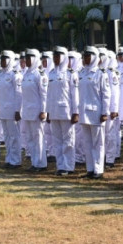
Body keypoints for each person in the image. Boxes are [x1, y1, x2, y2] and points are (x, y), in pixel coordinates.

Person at [78, 45, 111, 179]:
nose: (86, 58)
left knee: (98, 143)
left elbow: (106, 94)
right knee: (87, 143)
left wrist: (105, 112)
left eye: (88, 56)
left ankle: (98, 170)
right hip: (84, 113)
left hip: (96, 113)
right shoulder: (81, 73)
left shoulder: (100, 74)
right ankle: (90, 169)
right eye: (84, 56)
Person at [46, 46, 79, 175]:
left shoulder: (71, 74)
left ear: (64, 57)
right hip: (54, 112)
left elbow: (75, 94)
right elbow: (49, 95)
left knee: (68, 141)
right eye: (54, 56)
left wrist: (75, 112)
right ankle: (60, 166)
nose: (55, 59)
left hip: (66, 112)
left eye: (58, 56)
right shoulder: (51, 73)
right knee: (57, 140)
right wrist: (48, 111)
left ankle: (68, 166)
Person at [22, 49, 48, 171]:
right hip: (27, 111)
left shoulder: (40, 75)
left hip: (37, 112)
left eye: (29, 58)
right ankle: (34, 162)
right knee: (30, 139)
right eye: (26, 58)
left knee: (38, 138)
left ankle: (41, 163)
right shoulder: (26, 74)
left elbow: (44, 94)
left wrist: (43, 111)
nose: (26, 61)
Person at [0, 50, 23, 169]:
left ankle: (16, 160)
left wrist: (18, 110)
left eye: (5, 59)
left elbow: (18, 94)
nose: (2, 61)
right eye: (1, 59)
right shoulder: (1, 74)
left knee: (14, 136)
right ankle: (9, 158)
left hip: (12, 111)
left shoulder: (15, 74)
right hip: (3, 109)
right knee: (7, 136)